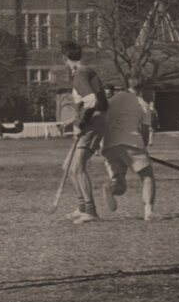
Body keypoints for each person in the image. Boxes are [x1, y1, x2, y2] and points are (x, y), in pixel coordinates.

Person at [60, 40, 109, 224]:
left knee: (78, 168)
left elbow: (91, 101)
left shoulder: (81, 73)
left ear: (64, 58)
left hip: (93, 123)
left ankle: (90, 211)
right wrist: (74, 121)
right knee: (68, 167)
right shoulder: (83, 72)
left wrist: (79, 124)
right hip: (91, 121)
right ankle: (82, 207)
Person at [100, 75, 161, 221]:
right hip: (131, 143)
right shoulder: (143, 104)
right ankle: (149, 212)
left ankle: (111, 187)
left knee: (120, 183)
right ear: (143, 88)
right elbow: (145, 132)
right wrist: (143, 150)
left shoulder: (113, 99)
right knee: (147, 177)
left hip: (109, 145)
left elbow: (103, 120)